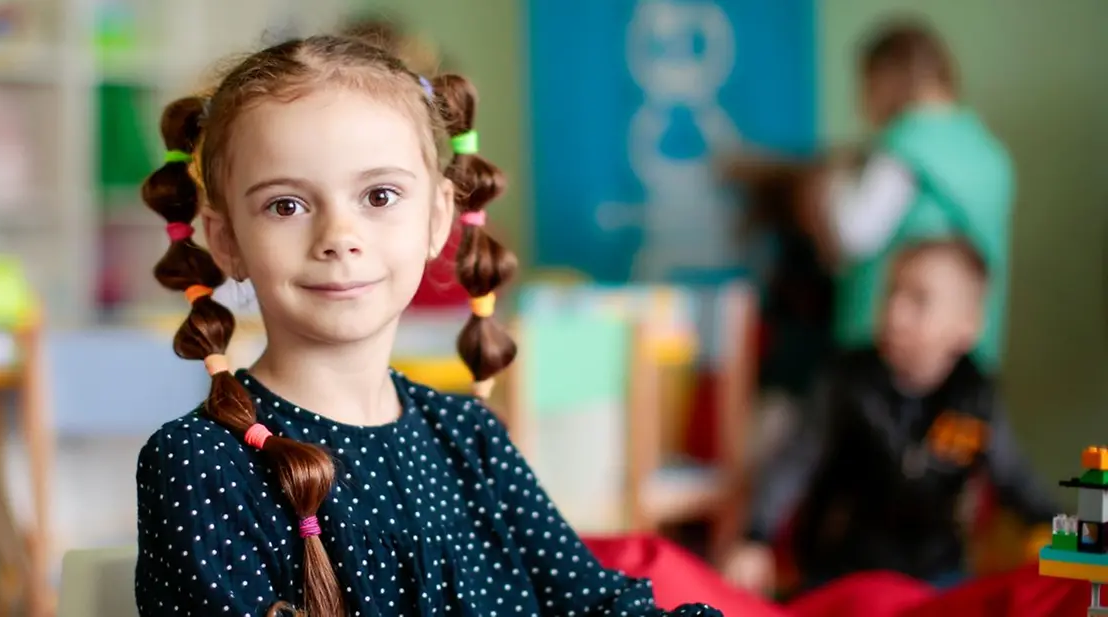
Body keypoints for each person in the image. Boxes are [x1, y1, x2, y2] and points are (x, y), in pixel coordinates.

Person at [133, 35, 721, 616]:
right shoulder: (202, 462)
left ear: (438, 218)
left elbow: (597, 604)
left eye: (380, 195)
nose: (339, 237)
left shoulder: (471, 439)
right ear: (227, 240)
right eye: (286, 205)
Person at [722, 239, 1058, 597]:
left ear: (967, 325)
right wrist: (755, 537)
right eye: (892, 294)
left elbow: (1015, 480)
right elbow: (795, 461)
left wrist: (1071, 529)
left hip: (935, 574)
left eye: (919, 300)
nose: (896, 313)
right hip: (844, 571)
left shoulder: (975, 396)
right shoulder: (847, 380)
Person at [792, 17, 1014, 372]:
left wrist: (829, 185)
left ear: (884, 80)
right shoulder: (989, 152)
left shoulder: (903, 147)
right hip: (966, 349)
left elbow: (853, 234)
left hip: (892, 356)